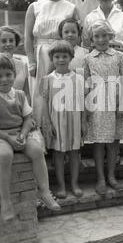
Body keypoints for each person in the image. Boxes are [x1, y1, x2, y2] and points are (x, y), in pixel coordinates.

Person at [0, 53, 61, 221]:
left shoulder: (20, 95)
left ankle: (44, 191)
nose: (4, 79)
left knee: (37, 150)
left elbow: (28, 119)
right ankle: (6, 201)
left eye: (8, 75)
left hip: (19, 133)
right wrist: (8, 139)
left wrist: (22, 135)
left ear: (14, 75)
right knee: (5, 155)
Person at [84, 20, 123, 195]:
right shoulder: (88, 58)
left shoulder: (120, 56)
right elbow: (86, 83)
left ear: (110, 36)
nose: (101, 39)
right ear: (91, 39)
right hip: (97, 102)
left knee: (113, 142)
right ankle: (100, 178)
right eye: (96, 36)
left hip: (116, 100)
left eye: (104, 35)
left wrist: (122, 103)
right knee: (99, 142)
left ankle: (111, 176)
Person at [24, 0, 77, 124]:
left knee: (59, 93)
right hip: (41, 56)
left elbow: (74, 37)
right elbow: (27, 36)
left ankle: (60, 138)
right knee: (40, 94)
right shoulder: (35, 7)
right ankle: (41, 137)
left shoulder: (71, 8)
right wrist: (32, 61)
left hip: (61, 56)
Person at [40, 40, 86, 199]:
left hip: (74, 121)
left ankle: (74, 183)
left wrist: (83, 122)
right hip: (56, 122)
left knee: (74, 153)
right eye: (57, 56)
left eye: (64, 56)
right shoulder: (47, 79)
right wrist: (47, 122)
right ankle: (61, 185)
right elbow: (44, 103)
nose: (61, 59)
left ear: (71, 57)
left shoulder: (78, 78)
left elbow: (82, 102)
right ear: (52, 59)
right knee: (58, 154)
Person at [0, 26, 30, 103]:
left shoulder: (23, 65)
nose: (8, 44)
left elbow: (27, 94)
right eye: (4, 41)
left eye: (11, 40)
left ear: (16, 43)